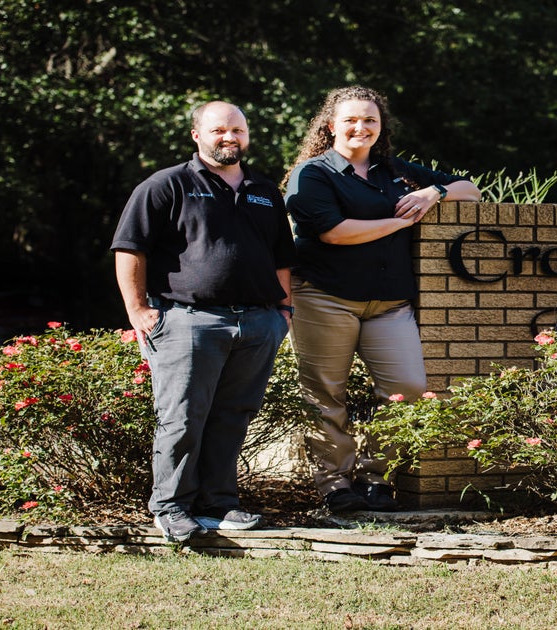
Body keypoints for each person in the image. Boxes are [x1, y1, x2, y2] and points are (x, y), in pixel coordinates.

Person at [283, 86, 481, 514]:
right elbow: (336, 233)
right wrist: (401, 222)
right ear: (331, 126)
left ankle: (377, 479)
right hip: (325, 297)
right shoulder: (312, 174)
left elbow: (471, 190)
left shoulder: (393, 170)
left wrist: (433, 193)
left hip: (389, 303)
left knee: (406, 389)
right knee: (326, 395)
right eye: (351, 120)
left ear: (381, 126)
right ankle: (335, 484)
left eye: (370, 120)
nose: (361, 127)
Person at [111, 101, 296, 542]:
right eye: (218, 130)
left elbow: (281, 258)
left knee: (233, 415)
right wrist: (137, 310)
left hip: (257, 323)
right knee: (182, 417)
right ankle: (170, 507)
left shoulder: (264, 191)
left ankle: (218, 504)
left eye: (238, 130)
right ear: (197, 135)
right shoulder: (166, 185)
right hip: (188, 320)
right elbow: (129, 248)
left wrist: (283, 313)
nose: (229, 137)